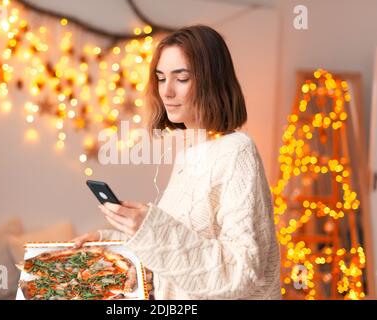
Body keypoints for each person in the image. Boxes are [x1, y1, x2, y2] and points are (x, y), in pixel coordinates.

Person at [72, 25, 281, 299]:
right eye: (160, 78)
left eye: (181, 78)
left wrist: (150, 228)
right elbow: (180, 249)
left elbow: (241, 272)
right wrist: (109, 241)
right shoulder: (190, 153)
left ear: (212, 81)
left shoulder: (237, 151)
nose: (166, 92)